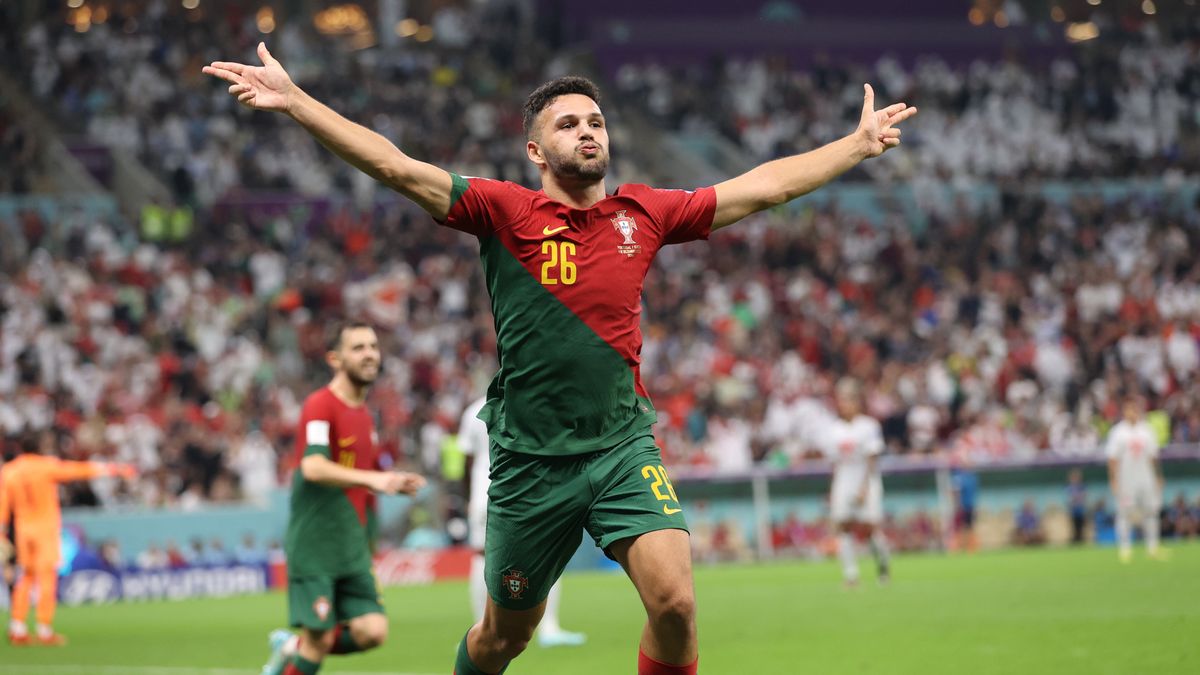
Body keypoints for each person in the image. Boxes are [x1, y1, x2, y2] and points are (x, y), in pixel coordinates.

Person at [204, 44, 916, 675]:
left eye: (596, 121)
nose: (587, 131)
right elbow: (393, 164)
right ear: (537, 153)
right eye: (568, 124)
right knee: (502, 637)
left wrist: (854, 146)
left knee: (675, 602)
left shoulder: (645, 212)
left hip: (620, 444)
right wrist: (297, 102)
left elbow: (767, 187)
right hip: (528, 462)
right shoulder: (503, 212)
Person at [260, 321, 427, 675]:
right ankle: (299, 649)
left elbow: (362, 490)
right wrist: (377, 480)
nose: (369, 354)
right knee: (318, 640)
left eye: (373, 346)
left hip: (351, 544)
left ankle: (291, 647)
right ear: (335, 359)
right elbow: (314, 467)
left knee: (372, 631)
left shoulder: (365, 415)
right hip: (316, 544)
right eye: (358, 348)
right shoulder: (320, 405)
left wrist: (370, 538)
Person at [459, 395, 586, 648]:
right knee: (550, 551)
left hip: (485, 492)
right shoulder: (533, 400)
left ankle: (479, 628)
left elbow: (467, 461)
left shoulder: (474, 409)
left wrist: (468, 496)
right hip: (528, 491)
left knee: (481, 555)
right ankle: (549, 627)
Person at [0, 431, 136, 645]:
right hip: (44, 528)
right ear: (39, 448)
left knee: (25, 577)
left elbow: (3, 504)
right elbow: (79, 470)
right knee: (46, 577)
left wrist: (1, 532)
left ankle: (18, 626)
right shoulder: (47, 465)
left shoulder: (9, 470)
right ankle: (44, 629)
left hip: (23, 530)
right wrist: (114, 469)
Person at [816, 378, 891, 587]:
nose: (845, 404)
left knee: (869, 529)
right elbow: (834, 462)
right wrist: (832, 489)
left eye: (849, 400)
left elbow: (872, 458)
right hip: (844, 478)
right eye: (842, 400)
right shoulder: (834, 429)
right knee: (843, 526)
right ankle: (851, 575)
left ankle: (883, 565)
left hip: (865, 478)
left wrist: (864, 488)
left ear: (858, 402)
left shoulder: (868, 426)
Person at [1105, 393, 1166, 563]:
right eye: (1128, 409)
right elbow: (1112, 459)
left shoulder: (1147, 430)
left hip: (1146, 478)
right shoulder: (1118, 432)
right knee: (1125, 513)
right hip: (1126, 480)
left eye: (1134, 408)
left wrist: (1159, 476)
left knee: (1151, 511)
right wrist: (1113, 479)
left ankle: (1152, 547)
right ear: (1124, 411)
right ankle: (1125, 549)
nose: (1131, 412)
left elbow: (1153, 456)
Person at [1066, 468, 1088, 545]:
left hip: (1080, 510)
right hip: (1073, 510)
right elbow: (1069, 499)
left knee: (1081, 526)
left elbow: (1084, 497)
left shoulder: (1082, 487)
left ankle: (1080, 539)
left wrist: (1078, 498)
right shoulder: (1070, 487)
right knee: (1074, 526)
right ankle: (1075, 540)